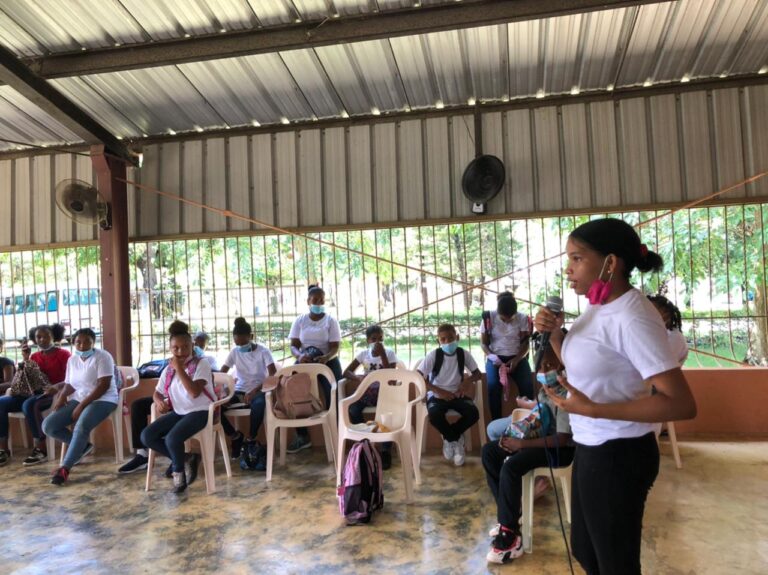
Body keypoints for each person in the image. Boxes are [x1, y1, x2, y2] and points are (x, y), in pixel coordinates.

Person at [534, 218, 697, 575]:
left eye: (577, 258)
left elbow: (681, 403)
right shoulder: (599, 306)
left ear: (610, 263)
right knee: (587, 551)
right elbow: (585, 363)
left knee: (615, 563)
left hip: (619, 454)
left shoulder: (633, 316)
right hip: (594, 444)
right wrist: (557, 334)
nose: (568, 269)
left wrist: (594, 409)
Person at [482, 331, 575, 564]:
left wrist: (522, 444)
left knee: (512, 467)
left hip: (561, 451)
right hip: (541, 441)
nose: (544, 370)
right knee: (490, 452)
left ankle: (511, 539)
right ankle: (509, 517)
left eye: (551, 364)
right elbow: (540, 418)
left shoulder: (567, 392)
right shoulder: (546, 390)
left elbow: (562, 438)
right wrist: (515, 435)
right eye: (541, 365)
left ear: (565, 363)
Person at [141, 320, 216, 494]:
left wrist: (180, 369)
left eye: (185, 347)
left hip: (201, 411)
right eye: (176, 348)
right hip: (180, 412)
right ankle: (187, 458)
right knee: (147, 436)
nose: (180, 352)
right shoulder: (168, 369)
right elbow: (157, 392)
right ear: (170, 348)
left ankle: (179, 474)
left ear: (192, 346)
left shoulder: (201, 364)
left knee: (172, 438)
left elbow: (194, 392)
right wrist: (158, 400)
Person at [42, 328, 118, 486]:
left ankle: (65, 468)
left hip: (104, 399)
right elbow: (70, 384)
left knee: (81, 426)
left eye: (86, 342)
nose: (82, 345)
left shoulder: (103, 357)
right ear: (73, 342)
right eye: (78, 342)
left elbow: (103, 386)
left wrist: (82, 406)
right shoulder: (73, 360)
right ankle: (82, 446)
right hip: (79, 397)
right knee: (49, 426)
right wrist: (62, 397)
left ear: (93, 342)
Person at [0, 324, 70, 467]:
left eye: (46, 336)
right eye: (38, 337)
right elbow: (26, 377)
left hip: (53, 394)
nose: (42, 340)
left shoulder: (64, 354)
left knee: (30, 404)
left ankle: (41, 448)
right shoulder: (35, 356)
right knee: (1, 402)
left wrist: (56, 387)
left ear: (54, 337)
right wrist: (26, 358)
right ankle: (3, 449)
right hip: (33, 392)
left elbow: (71, 379)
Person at [417, 323, 482, 467]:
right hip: (437, 395)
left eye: (451, 338)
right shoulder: (434, 355)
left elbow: (477, 374)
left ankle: (450, 437)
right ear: (438, 341)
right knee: (434, 415)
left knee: (473, 413)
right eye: (443, 339)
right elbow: (418, 376)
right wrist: (439, 391)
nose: (447, 342)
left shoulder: (463, 354)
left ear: (457, 337)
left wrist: (467, 382)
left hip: (457, 394)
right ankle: (456, 441)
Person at [287, 285, 342, 453]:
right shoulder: (300, 320)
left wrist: (325, 358)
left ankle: (339, 432)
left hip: (327, 361)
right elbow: (293, 346)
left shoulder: (331, 321)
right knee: (293, 391)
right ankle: (302, 436)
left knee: (335, 393)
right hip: (305, 360)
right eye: (315, 300)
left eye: (321, 300)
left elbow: (335, 347)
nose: (319, 303)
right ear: (308, 301)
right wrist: (299, 356)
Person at [341, 325, 399, 470]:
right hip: (367, 392)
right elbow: (346, 372)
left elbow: (391, 377)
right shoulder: (363, 354)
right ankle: (366, 443)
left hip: (384, 392)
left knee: (387, 414)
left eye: (380, 338)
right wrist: (358, 378)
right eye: (374, 339)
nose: (378, 342)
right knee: (353, 409)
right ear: (368, 340)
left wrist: (383, 355)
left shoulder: (390, 354)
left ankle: (385, 449)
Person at [219, 317, 276, 460]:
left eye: (243, 343)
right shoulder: (235, 352)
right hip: (239, 390)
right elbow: (221, 374)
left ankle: (251, 437)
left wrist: (255, 390)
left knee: (259, 404)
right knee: (215, 408)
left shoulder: (263, 351)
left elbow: (273, 376)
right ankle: (235, 436)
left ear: (250, 337)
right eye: (237, 343)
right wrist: (223, 391)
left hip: (259, 389)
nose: (240, 347)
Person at [480, 291, 534, 419]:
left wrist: (516, 360)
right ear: (498, 312)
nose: (508, 321)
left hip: (517, 356)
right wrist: (492, 356)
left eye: (511, 318)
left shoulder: (522, 318)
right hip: (495, 357)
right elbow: (483, 344)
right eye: (504, 318)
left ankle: (528, 421)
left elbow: (526, 344)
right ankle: (496, 422)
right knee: (493, 386)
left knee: (527, 385)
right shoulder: (489, 318)